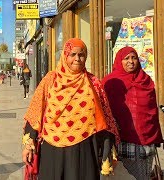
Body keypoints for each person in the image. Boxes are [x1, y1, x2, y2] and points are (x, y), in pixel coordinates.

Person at [22, 38, 119, 180]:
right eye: (72, 54)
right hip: (52, 150)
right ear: (65, 56)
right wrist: (29, 145)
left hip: (84, 150)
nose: (77, 59)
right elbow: (35, 111)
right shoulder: (50, 80)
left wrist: (106, 151)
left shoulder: (94, 83)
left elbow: (105, 119)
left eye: (81, 55)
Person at [102, 46, 163, 179]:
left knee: (143, 175)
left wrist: (154, 136)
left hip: (145, 141)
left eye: (134, 58)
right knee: (122, 175)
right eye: (126, 58)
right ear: (119, 61)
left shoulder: (146, 81)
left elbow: (152, 111)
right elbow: (104, 110)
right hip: (121, 141)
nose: (131, 61)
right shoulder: (110, 82)